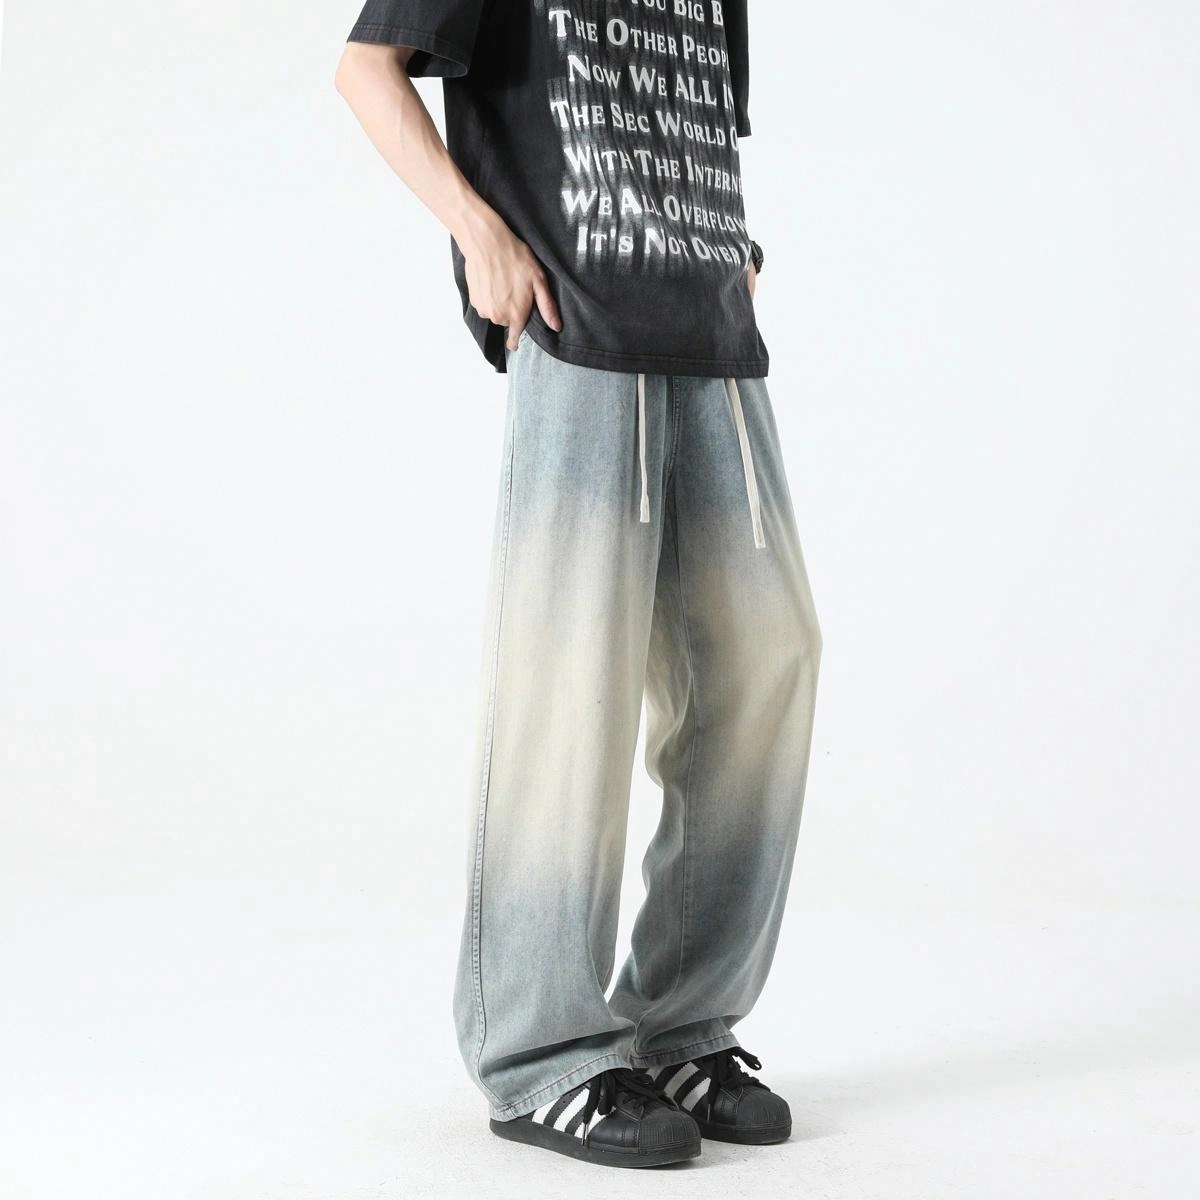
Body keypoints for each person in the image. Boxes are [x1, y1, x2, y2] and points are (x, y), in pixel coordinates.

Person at [335, 0, 821, 1169]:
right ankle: (540, 1051)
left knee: (769, 656)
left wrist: (735, 255)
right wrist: (478, 235)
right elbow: (365, 71)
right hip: (577, 322)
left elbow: (688, 126)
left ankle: (682, 1024)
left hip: (711, 337)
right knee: (573, 680)